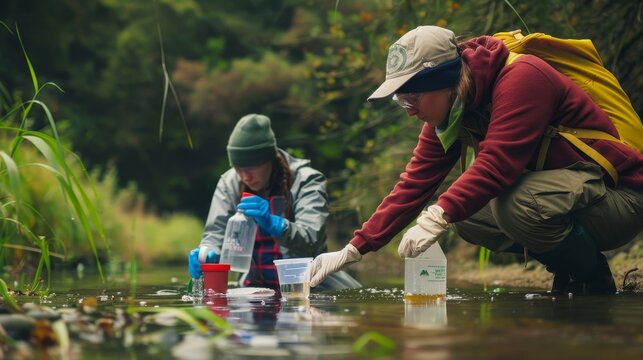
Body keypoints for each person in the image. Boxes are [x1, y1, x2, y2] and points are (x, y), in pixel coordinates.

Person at [309, 26, 643, 295]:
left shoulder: (524, 77)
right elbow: (414, 184)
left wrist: (437, 215)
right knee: (468, 217)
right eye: (401, 101)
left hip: (622, 199)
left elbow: (498, 163)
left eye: (412, 96)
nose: (409, 109)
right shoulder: (452, 112)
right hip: (570, 197)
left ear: (442, 82)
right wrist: (354, 248)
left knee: (513, 205)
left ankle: (592, 277)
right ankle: (570, 267)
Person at [188, 113, 361, 291]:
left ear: (269, 159)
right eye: (239, 169)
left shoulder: (307, 181)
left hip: (308, 286)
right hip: (255, 289)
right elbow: (214, 234)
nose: (246, 177)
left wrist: (276, 224)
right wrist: (207, 252)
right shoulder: (229, 182)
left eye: (252, 168)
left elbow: (311, 239)